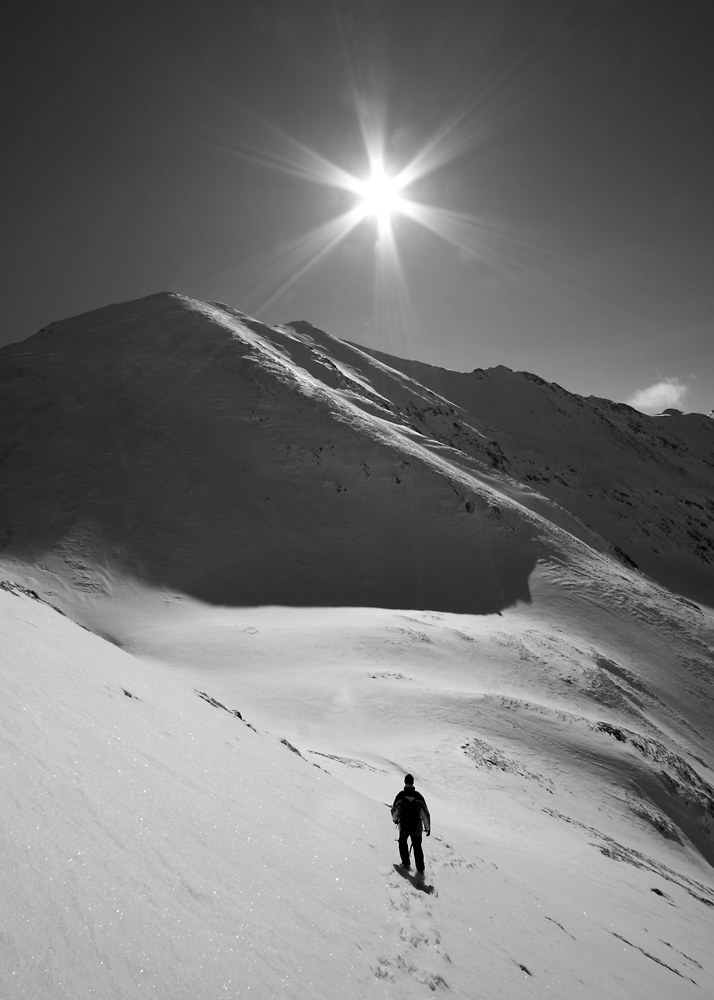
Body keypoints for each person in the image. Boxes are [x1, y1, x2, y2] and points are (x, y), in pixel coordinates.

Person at [391, 773, 431, 874]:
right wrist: (427, 827)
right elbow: (425, 813)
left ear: (405, 782)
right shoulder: (418, 796)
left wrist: (395, 820)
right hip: (416, 827)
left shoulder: (401, 795)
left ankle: (406, 864)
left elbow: (394, 810)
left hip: (404, 826)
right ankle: (420, 870)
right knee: (417, 847)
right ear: (413, 783)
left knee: (402, 842)